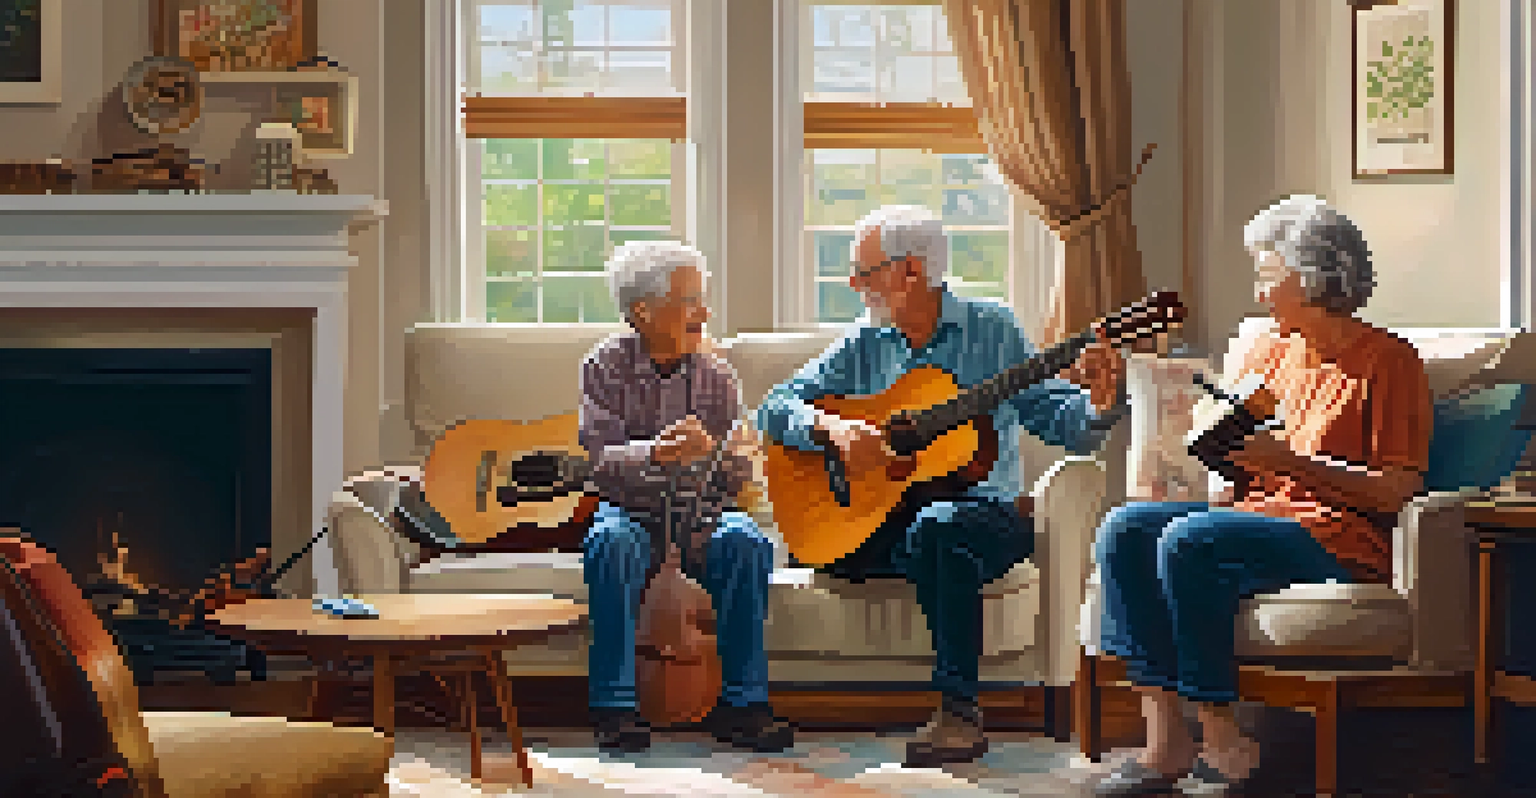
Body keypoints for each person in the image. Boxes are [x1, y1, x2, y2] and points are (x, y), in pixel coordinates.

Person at [756, 205, 1126, 767]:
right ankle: (918, 566)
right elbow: (775, 406)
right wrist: (830, 428)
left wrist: (1099, 405)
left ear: (910, 272)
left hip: (982, 515)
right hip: (894, 524)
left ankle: (959, 713)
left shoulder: (993, 330)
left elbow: (1059, 423)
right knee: (903, 537)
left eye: (865, 271)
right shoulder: (865, 343)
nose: (855, 284)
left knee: (939, 527)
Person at [1090, 195, 1432, 796]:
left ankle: (1224, 741)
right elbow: (1244, 451)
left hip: (1337, 537)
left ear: (1314, 276)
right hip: (1258, 516)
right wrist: (1223, 452)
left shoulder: (1389, 362)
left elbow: (1395, 491)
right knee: (1125, 527)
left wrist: (1286, 461)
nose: (1259, 294)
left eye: (1268, 276)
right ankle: (1165, 742)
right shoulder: (1274, 350)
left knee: (1191, 537)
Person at [580, 240, 793, 754]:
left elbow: (732, 478)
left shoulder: (716, 375)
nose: (705, 311)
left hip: (702, 514)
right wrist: (655, 454)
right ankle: (615, 707)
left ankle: (744, 704)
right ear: (643, 311)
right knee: (609, 543)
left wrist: (732, 455)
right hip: (631, 513)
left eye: (704, 298)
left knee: (746, 542)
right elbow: (599, 462)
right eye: (690, 299)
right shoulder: (605, 365)